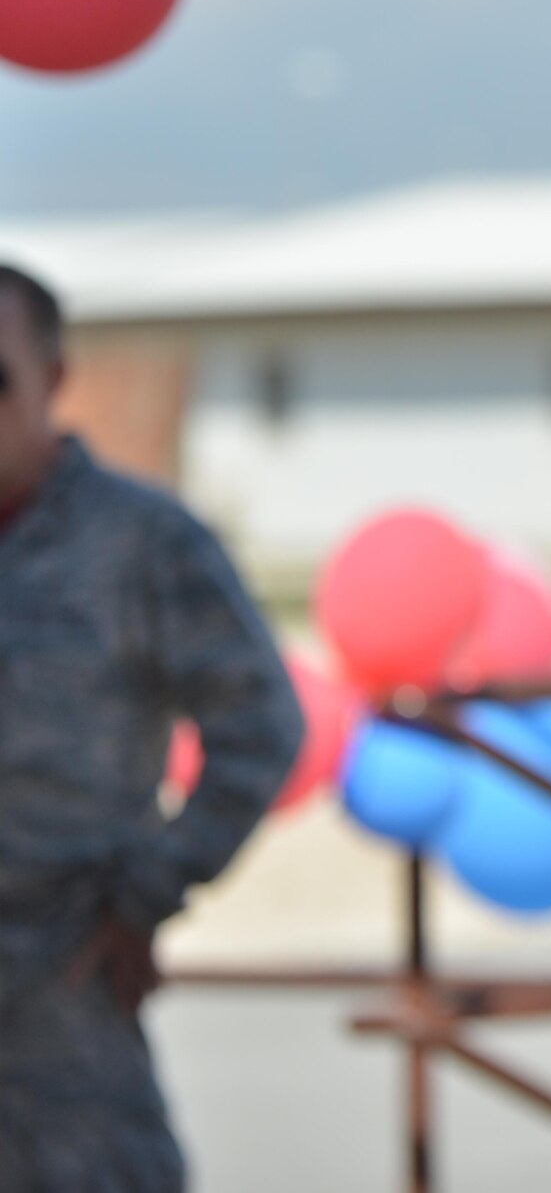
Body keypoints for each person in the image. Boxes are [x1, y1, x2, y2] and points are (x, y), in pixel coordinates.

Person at [0, 264, 303, 1192]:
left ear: (52, 379)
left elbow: (261, 725)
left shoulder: (138, 544)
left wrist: (149, 887)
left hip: (57, 978)